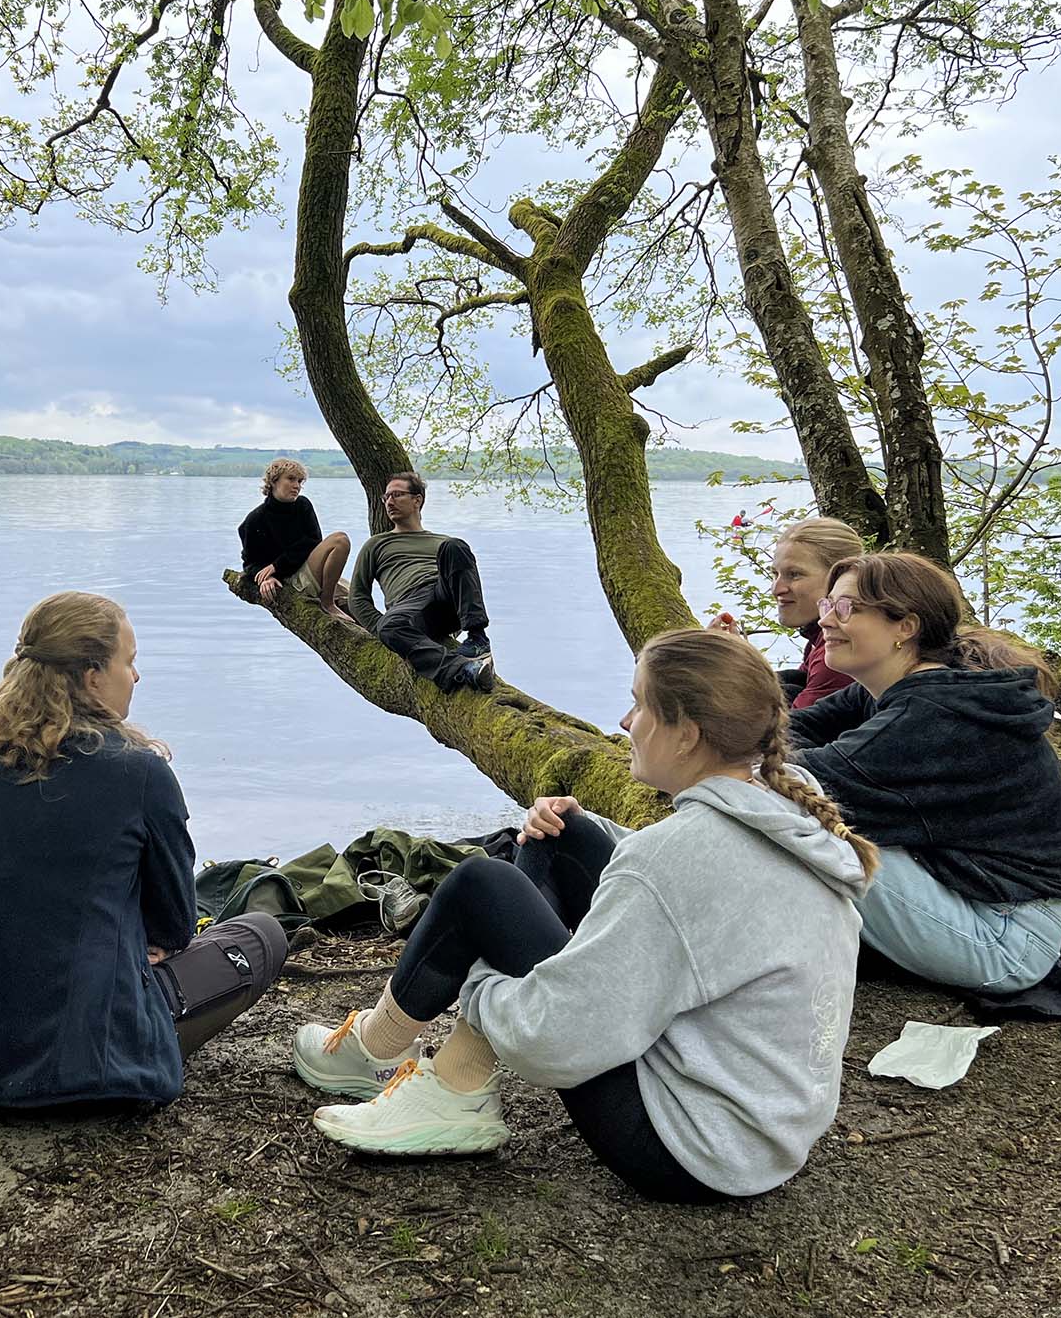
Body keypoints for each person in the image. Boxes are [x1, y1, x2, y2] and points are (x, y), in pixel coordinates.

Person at [290, 630, 877, 1201]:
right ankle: (418, 1068)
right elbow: (685, 887)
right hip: (768, 1129)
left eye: (639, 705)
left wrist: (482, 985)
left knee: (480, 885)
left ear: (687, 736)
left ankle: (419, 1067)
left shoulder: (676, 860)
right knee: (561, 833)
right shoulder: (787, 807)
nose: (624, 722)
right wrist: (588, 830)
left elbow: (556, 1039)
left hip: (689, 1151)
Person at [0, 592, 286, 1109]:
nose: (136, 676)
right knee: (261, 934)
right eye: (128, 661)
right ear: (93, 675)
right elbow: (175, 925)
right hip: (91, 1067)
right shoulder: (141, 773)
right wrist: (142, 941)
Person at [789, 551, 1061, 995]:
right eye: (827, 604)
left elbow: (793, 781)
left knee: (805, 830)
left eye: (846, 607)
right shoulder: (894, 685)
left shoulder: (934, 713)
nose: (826, 620)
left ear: (905, 627)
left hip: (1006, 937)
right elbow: (792, 728)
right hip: (965, 889)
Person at [346, 471, 496, 693]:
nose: (389, 502)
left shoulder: (442, 541)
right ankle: (462, 670)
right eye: (386, 497)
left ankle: (478, 639)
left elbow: (465, 580)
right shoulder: (376, 544)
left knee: (456, 546)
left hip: (444, 595)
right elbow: (357, 597)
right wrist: (381, 630)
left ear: (417, 500)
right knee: (389, 625)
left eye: (397, 495)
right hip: (410, 606)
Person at [711, 516, 861, 709]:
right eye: (775, 574)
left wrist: (736, 664)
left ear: (841, 578)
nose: (776, 589)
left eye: (794, 574)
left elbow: (792, 725)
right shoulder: (820, 638)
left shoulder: (840, 650)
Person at [238, 458, 354, 618]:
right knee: (340, 540)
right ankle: (327, 603)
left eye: (299, 481)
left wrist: (277, 565)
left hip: (310, 570)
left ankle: (335, 600)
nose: (297, 486)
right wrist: (267, 578)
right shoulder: (255, 519)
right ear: (274, 481)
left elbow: (313, 542)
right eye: (291, 479)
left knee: (358, 604)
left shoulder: (303, 505)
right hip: (292, 580)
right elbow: (250, 563)